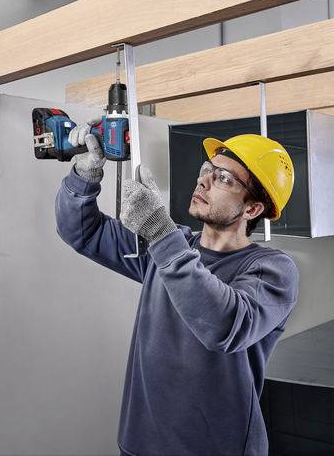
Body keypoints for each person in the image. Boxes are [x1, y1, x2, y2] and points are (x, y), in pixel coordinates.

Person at [55, 120, 300, 456]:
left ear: (252, 208)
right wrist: (84, 176)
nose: (203, 180)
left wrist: (159, 231)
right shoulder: (173, 245)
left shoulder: (272, 270)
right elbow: (83, 232)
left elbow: (225, 326)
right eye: (208, 169)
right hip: (141, 442)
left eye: (224, 179)